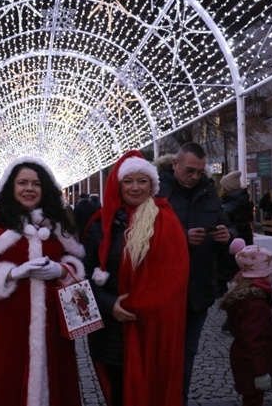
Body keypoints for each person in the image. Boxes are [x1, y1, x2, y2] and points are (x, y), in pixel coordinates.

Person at [0, 155, 86, 406]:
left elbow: (77, 262)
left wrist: (61, 271)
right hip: (7, 322)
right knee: (5, 381)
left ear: (44, 188)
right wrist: (11, 274)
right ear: (11, 187)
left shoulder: (59, 222)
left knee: (54, 380)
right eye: (22, 183)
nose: (29, 188)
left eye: (35, 183)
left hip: (53, 327)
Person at [83, 150, 189, 406]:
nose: (135, 187)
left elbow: (175, 274)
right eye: (128, 181)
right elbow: (84, 277)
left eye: (142, 181)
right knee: (118, 394)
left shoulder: (165, 220)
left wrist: (147, 305)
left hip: (152, 328)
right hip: (111, 332)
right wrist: (110, 306)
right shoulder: (100, 225)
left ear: (152, 185)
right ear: (118, 184)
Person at [155, 143, 235, 406]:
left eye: (200, 172)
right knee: (162, 353)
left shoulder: (208, 192)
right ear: (175, 164)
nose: (194, 176)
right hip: (165, 289)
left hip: (198, 289)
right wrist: (180, 238)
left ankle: (179, 400)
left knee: (187, 353)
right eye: (190, 170)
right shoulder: (156, 191)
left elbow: (230, 227)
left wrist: (228, 236)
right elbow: (143, 238)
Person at [220, 238, 272, 406]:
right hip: (250, 364)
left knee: (252, 397)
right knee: (253, 399)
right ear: (261, 274)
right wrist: (260, 372)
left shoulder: (247, 295)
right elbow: (253, 341)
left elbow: (250, 328)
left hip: (244, 360)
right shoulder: (254, 303)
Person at [218, 170, 255, 297]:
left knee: (233, 276)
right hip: (245, 241)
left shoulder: (229, 206)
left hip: (233, 245)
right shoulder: (245, 201)